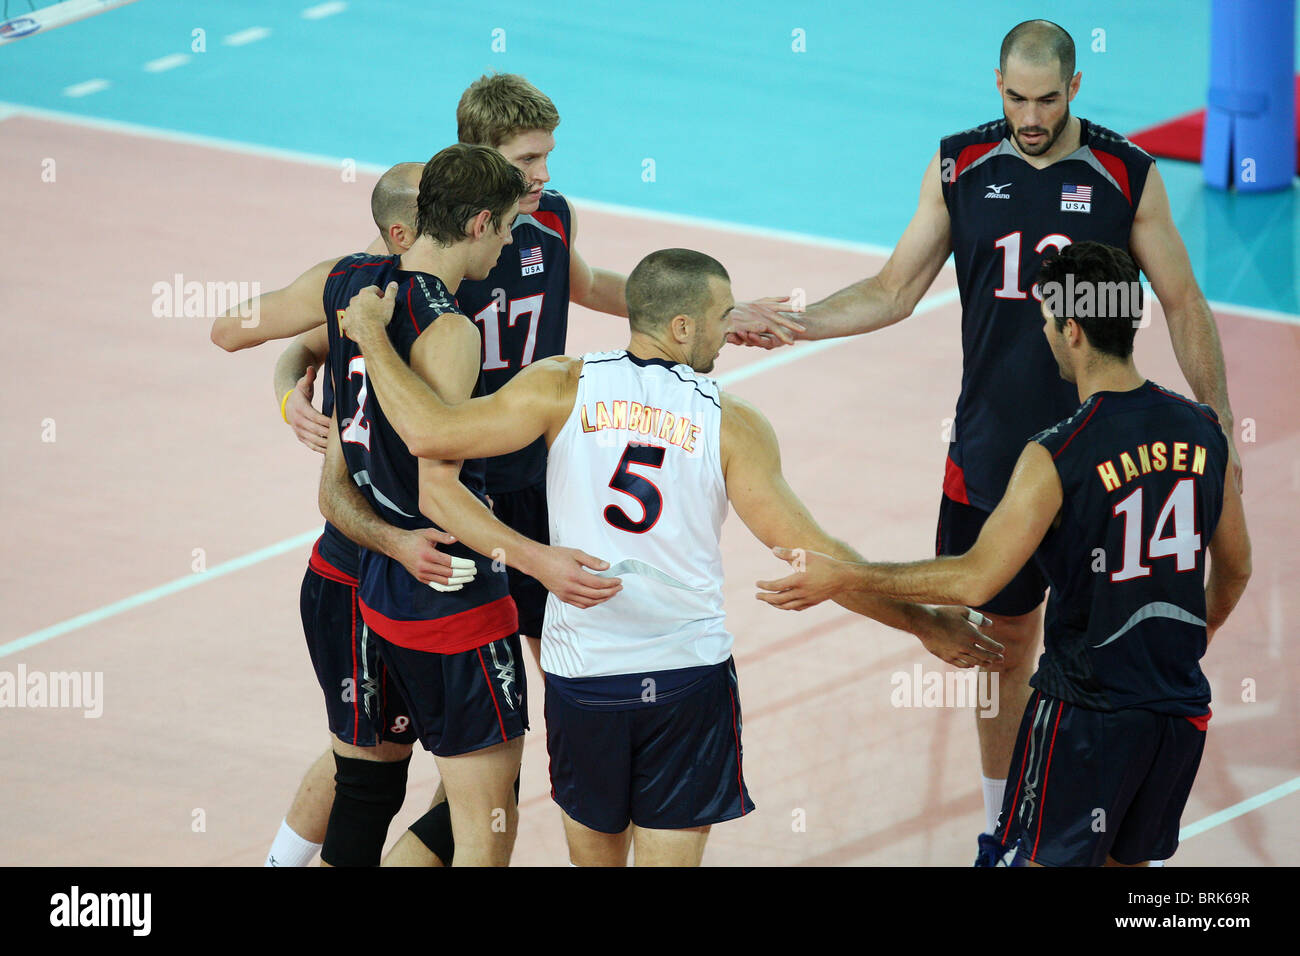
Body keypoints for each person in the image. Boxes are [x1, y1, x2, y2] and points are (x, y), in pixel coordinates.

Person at [730, 19, 1240, 863]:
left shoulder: (1125, 172)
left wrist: (1218, 425)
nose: (1029, 117)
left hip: (1097, 457)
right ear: (994, 83)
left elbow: (1184, 304)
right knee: (1004, 649)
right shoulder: (960, 164)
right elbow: (894, 289)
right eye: (1013, 97)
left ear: (1075, 88)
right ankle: (1005, 826)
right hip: (992, 452)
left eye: (1045, 100)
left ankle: (1096, 825)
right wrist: (798, 324)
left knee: (1097, 645)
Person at [334, 247, 1001, 866]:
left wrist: (370, 340)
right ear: (682, 329)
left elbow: (429, 432)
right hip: (686, 682)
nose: (726, 333)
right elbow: (816, 558)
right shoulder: (732, 424)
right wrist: (921, 620)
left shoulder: (558, 385)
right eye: (720, 318)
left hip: (584, 680)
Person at [756, 242, 1252, 867]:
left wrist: (845, 575)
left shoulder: (1058, 453)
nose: (1044, 333)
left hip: (1084, 715)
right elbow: (1235, 569)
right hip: (1178, 713)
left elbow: (974, 578)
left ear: (1073, 330)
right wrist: (1180, 645)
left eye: (1047, 320)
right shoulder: (1203, 428)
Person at [321, 143, 622, 866]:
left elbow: (237, 326)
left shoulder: (352, 288)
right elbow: (437, 484)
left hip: (385, 583)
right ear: (481, 222)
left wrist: (291, 376)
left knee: (375, 789)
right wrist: (538, 560)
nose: (520, 238)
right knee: (486, 828)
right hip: (453, 594)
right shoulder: (451, 330)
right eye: (511, 224)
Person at [211, 163, 465, 867]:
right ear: (403, 232)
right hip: (370, 560)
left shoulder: (449, 278)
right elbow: (235, 330)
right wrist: (289, 389)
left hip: (432, 560)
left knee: (419, 764)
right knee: (375, 774)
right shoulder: (365, 289)